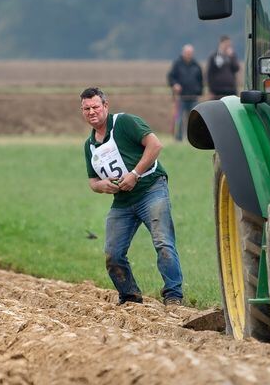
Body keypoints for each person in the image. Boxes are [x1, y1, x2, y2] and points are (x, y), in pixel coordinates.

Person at [80, 87, 184, 306]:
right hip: (123, 202)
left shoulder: (124, 123)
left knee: (163, 242)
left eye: (95, 107)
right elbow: (92, 182)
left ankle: (173, 295)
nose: (91, 112)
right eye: (86, 108)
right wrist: (103, 185)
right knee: (113, 253)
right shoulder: (89, 146)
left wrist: (135, 174)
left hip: (150, 189)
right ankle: (130, 296)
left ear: (105, 106)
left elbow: (155, 145)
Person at [167, 44, 204, 142]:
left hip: (193, 96)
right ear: (183, 53)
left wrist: (199, 91)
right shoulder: (177, 64)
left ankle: (194, 140)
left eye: (190, 53)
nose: (189, 54)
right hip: (181, 97)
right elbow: (171, 77)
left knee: (194, 120)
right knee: (179, 118)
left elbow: (200, 80)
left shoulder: (196, 65)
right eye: (187, 53)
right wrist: (175, 84)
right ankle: (178, 138)